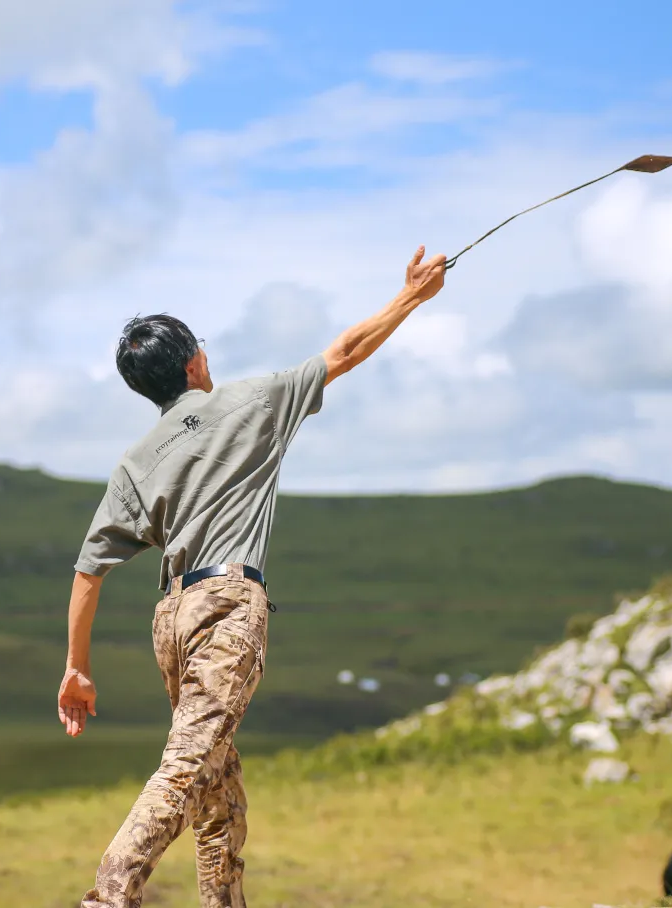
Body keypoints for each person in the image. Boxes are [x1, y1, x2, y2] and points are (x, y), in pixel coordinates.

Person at [58, 245, 447, 907]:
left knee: (218, 792)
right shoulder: (252, 402)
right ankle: (108, 895)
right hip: (229, 605)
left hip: (171, 619)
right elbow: (347, 350)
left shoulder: (138, 459)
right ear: (195, 362)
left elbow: (89, 571)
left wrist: (77, 667)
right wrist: (411, 297)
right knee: (187, 767)